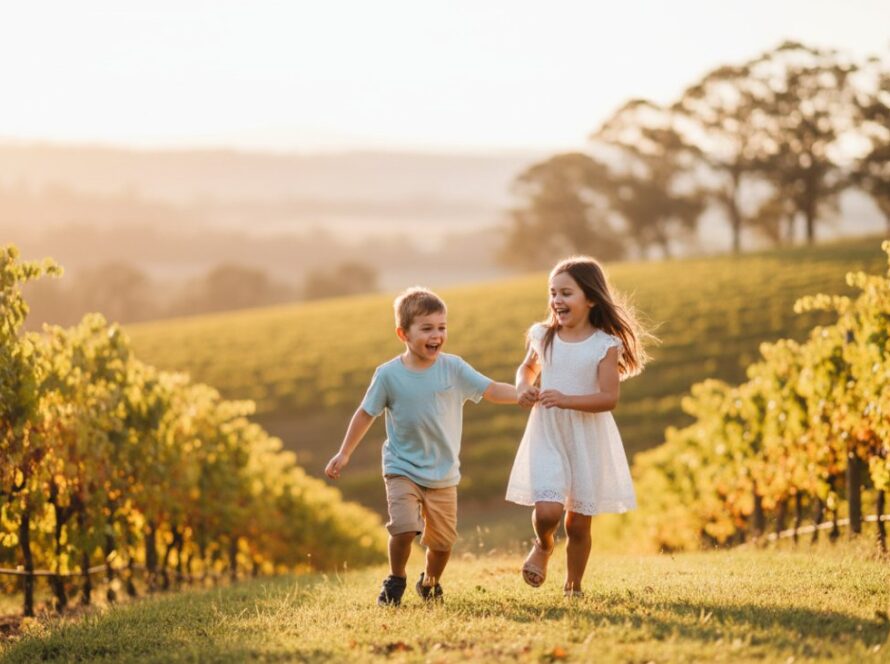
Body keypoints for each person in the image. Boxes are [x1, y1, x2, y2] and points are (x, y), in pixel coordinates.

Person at [325, 286, 517, 606]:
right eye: (427, 328)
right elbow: (365, 413)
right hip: (402, 467)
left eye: (442, 328)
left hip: (443, 473)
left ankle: (429, 582)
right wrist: (344, 453)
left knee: (442, 544)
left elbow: (492, 389)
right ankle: (396, 577)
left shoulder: (454, 368)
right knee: (404, 528)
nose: (437, 335)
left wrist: (525, 395)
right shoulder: (388, 375)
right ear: (403, 333)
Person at [505, 256, 652, 598]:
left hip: (587, 436)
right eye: (552, 293)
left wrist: (567, 399)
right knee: (547, 511)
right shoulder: (543, 336)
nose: (557, 300)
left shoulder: (605, 345)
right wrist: (523, 387)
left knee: (577, 523)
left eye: (566, 293)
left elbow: (608, 398)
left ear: (591, 298)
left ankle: (573, 587)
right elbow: (526, 369)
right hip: (548, 431)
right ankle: (543, 545)